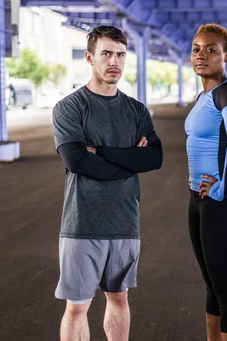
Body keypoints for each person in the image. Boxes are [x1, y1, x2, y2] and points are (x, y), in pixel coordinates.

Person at [52, 25, 163, 341]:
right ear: (90, 57)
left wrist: (101, 152)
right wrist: (130, 161)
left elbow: (154, 159)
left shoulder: (136, 110)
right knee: (77, 307)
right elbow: (78, 162)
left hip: (125, 222)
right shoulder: (70, 107)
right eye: (106, 54)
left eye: (120, 55)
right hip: (83, 224)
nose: (114, 62)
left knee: (119, 298)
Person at [185, 24, 227, 341]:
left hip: (225, 195)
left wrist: (222, 187)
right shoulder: (205, 94)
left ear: (226, 56)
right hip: (200, 196)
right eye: (197, 48)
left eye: (211, 49)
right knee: (212, 283)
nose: (202, 55)